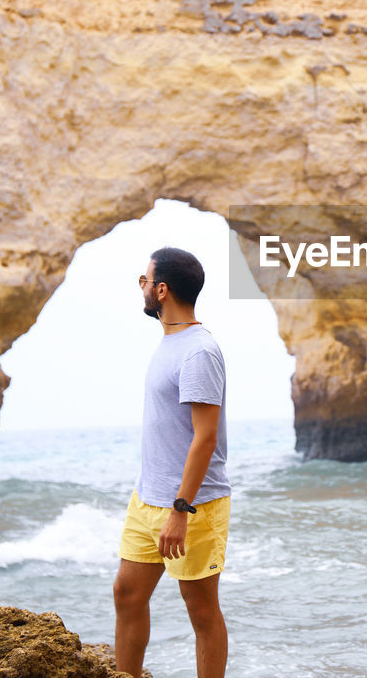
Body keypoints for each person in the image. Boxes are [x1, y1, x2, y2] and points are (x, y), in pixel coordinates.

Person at [113, 247, 230, 678]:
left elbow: (206, 437)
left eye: (144, 280)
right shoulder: (170, 342)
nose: (141, 287)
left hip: (191, 504)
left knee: (201, 610)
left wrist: (181, 510)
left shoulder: (198, 351)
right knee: (127, 593)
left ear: (161, 290)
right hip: (147, 498)